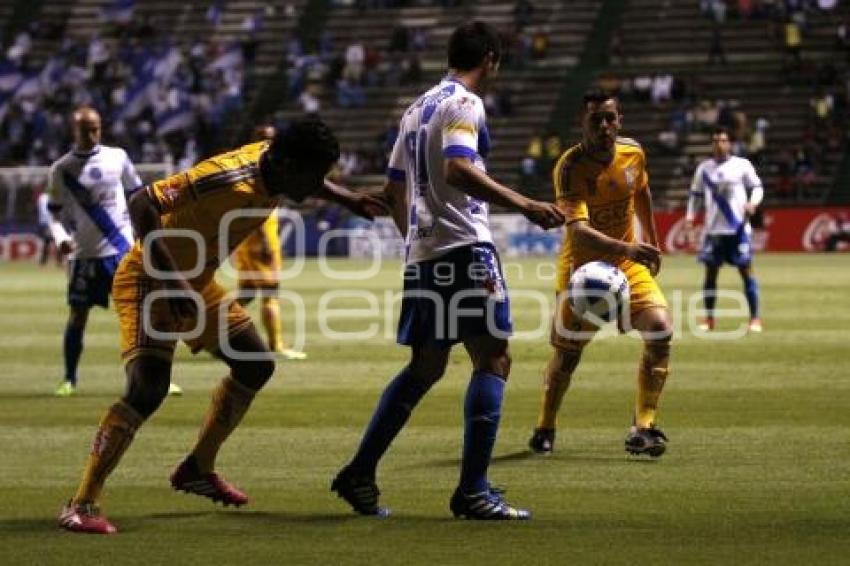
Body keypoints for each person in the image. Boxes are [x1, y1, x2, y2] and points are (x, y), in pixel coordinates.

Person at [58, 118, 386, 534]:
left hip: (194, 282)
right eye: (314, 174)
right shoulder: (226, 178)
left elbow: (309, 182)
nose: (318, 183)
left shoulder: (277, 169)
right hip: (151, 278)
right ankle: (81, 503)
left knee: (255, 363)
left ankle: (198, 466)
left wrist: (348, 198)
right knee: (148, 389)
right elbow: (142, 201)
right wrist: (171, 280)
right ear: (287, 164)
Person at [331, 21, 563, 521]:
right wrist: (524, 203)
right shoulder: (464, 103)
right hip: (465, 249)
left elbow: (394, 190)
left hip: (425, 253)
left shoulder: (415, 109)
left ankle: (360, 471)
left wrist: (417, 238)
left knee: (426, 366)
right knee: (493, 359)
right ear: (491, 60)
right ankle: (474, 492)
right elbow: (459, 168)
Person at [528, 90, 673, 458]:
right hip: (583, 271)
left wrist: (651, 243)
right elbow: (576, 230)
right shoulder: (570, 167)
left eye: (610, 118)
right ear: (583, 122)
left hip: (626, 265)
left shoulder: (633, 153)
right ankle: (545, 426)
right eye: (596, 119)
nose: (605, 126)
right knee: (567, 356)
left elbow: (641, 191)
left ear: (619, 120)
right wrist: (629, 248)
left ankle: (644, 426)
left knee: (660, 330)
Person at [45, 107, 183, 398]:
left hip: (121, 251)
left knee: (141, 317)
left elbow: (139, 196)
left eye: (95, 128)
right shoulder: (61, 169)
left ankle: (157, 379)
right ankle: (69, 379)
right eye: (85, 129)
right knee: (78, 317)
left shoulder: (117, 157)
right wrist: (59, 238)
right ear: (75, 131)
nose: (92, 134)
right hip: (83, 256)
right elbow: (54, 214)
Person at [231, 124, 306, 360]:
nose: (271, 142)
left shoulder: (256, 165)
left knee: (247, 294)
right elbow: (256, 210)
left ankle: (211, 325)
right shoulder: (259, 168)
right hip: (258, 244)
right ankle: (277, 345)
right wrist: (264, 243)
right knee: (270, 293)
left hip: (253, 243)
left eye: (274, 138)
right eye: (266, 138)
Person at [685, 126, 764, 333]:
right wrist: (690, 217)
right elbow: (695, 196)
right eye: (715, 140)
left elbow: (757, 187)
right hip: (713, 232)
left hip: (738, 229)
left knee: (746, 272)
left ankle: (755, 319)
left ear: (729, 143)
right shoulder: (704, 169)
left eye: (723, 140)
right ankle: (709, 320)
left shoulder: (741, 165)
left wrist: (753, 203)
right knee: (710, 274)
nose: (719, 144)